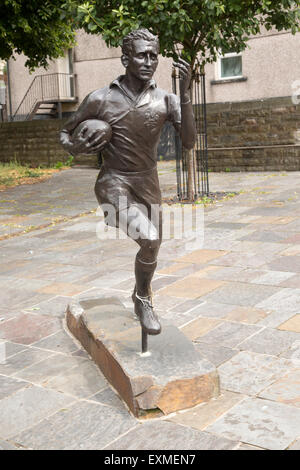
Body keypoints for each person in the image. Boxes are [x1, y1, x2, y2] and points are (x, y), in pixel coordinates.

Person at [60, 28, 196, 337]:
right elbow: (64, 134)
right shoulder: (100, 98)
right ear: (125, 58)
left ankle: (141, 296)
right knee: (148, 238)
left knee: (152, 248)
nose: (149, 61)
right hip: (112, 182)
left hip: (148, 182)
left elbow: (188, 142)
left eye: (154, 56)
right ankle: (144, 300)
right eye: (141, 55)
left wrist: (185, 95)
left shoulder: (166, 100)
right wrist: (80, 146)